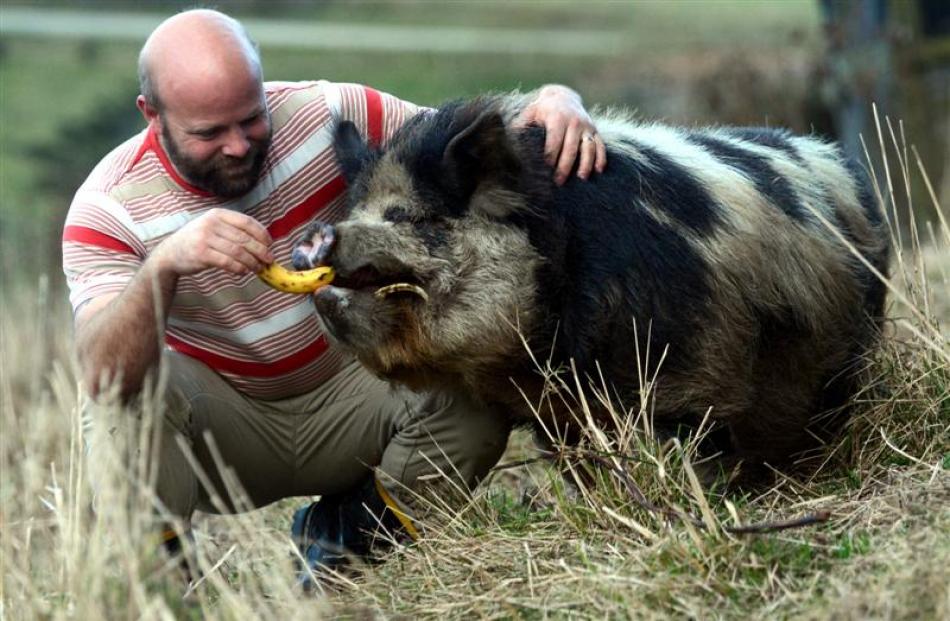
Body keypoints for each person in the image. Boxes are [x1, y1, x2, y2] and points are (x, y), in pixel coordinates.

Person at [63, 8, 607, 583]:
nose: (237, 146)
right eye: (208, 133)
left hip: (359, 392)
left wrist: (559, 98)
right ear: (152, 114)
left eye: (251, 119)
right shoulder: (107, 207)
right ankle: (168, 591)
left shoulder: (326, 111)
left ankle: (348, 544)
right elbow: (101, 372)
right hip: (228, 430)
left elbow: (466, 152)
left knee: (477, 386)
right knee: (115, 404)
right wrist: (164, 266)